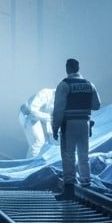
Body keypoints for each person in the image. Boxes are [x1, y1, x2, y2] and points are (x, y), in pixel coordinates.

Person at [51, 58, 100, 200]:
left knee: (68, 156)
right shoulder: (89, 84)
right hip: (85, 123)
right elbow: (97, 105)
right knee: (84, 155)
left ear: (67, 69)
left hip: (69, 124)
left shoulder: (64, 85)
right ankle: (86, 183)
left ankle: (69, 189)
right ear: (78, 68)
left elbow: (58, 110)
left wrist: (55, 128)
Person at [18, 87, 55, 159]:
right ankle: (32, 167)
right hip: (28, 115)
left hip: (41, 119)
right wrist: (51, 117)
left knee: (46, 144)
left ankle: (28, 164)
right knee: (39, 142)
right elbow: (33, 110)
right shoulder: (45, 94)